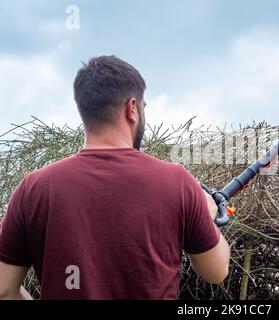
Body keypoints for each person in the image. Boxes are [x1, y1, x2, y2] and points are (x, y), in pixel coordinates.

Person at [0, 55, 230, 299]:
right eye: (143, 108)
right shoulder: (178, 182)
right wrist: (208, 217)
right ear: (132, 109)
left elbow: (3, 289)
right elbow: (216, 272)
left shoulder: (35, 187)